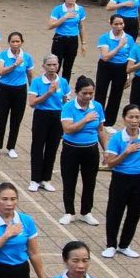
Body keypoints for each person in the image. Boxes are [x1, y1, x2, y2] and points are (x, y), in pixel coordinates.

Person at [100, 105, 140, 258]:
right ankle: (111, 244)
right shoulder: (117, 139)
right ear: (124, 119)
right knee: (114, 212)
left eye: (137, 117)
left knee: (134, 213)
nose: (134, 121)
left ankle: (124, 245)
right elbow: (111, 164)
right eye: (131, 117)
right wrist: (126, 152)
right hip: (121, 178)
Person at [56, 77, 105, 227]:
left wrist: (106, 150)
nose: (88, 96)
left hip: (91, 149)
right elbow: (68, 129)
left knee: (89, 182)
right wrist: (85, 119)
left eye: (91, 93)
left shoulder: (97, 106)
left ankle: (86, 212)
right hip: (71, 149)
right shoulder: (68, 107)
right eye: (85, 93)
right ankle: (69, 212)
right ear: (77, 92)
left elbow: (101, 130)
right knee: (69, 180)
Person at [27, 54, 68, 192]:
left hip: (57, 117)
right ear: (44, 66)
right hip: (41, 115)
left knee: (52, 148)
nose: (52, 67)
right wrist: (48, 93)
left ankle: (46, 179)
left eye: (54, 64)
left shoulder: (63, 82)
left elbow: (65, 100)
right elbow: (32, 103)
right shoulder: (37, 82)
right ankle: (34, 179)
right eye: (49, 65)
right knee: (37, 147)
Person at [0, 33, 32, 159]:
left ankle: (11, 147)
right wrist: (15, 64)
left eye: (17, 41)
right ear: (9, 43)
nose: (15, 44)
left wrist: (32, 91)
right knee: (1, 118)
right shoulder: (3, 55)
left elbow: (30, 74)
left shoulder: (27, 57)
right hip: (5, 89)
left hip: (20, 90)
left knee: (16, 119)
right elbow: (0, 72)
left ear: (21, 42)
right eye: (13, 41)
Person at [93, 15, 133, 127]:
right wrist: (119, 46)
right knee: (101, 92)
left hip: (121, 68)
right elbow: (105, 57)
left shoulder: (129, 39)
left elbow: (131, 58)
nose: (119, 26)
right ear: (111, 24)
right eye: (116, 24)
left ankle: (109, 122)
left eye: (121, 24)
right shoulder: (104, 38)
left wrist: (129, 76)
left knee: (116, 95)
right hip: (105, 66)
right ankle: (97, 120)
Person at [48, 0, 86, 77]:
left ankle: (65, 87)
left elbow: (82, 27)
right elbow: (50, 26)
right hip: (60, 39)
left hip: (73, 40)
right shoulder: (58, 9)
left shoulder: (80, 9)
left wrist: (83, 43)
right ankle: (53, 84)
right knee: (55, 65)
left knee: (68, 67)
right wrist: (64, 17)